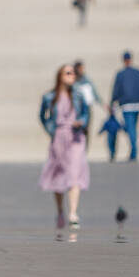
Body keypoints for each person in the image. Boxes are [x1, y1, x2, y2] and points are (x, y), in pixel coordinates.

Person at [39, 64, 91, 230]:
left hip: (76, 136)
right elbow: (43, 115)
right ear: (60, 76)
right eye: (68, 73)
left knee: (75, 173)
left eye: (73, 74)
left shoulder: (79, 94)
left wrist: (81, 122)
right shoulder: (49, 96)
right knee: (59, 175)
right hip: (59, 136)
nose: (72, 76)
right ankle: (61, 211)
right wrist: (51, 130)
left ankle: (73, 213)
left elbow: (86, 113)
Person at [108, 51, 139, 163]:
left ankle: (134, 151)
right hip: (137, 104)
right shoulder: (138, 73)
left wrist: (112, 102)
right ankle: (133, 151)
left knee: (130, 128)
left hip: (127, 105)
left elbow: (116, 89)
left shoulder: (121, 74)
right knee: (132, 127)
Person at [72, 60, 104, 134]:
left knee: (85, 130)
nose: (82, 70)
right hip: (75, 109)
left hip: (86, 108)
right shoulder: (72, 80)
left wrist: (102, 104)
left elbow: (94, 93)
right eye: (80, 68)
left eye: (82, 68)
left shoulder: (86, 79)